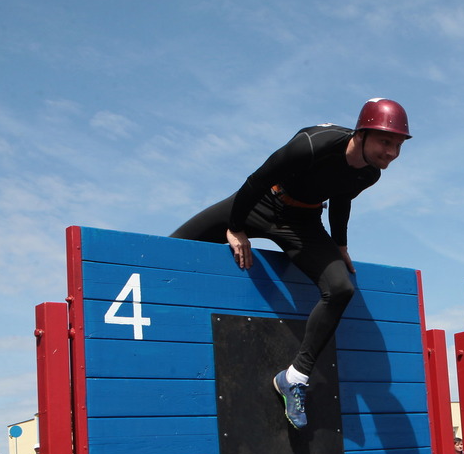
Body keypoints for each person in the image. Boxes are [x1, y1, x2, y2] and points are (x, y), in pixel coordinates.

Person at [171, 99, 411, 430]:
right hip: (261, 202)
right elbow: (256, 180)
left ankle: (295, 377)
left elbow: (342, 199)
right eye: (386, 141)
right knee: (173, 245)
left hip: (303, 221)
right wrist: (237, 227)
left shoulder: (370, 173)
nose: (392, 153)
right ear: (363, 132)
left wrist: (340, 244)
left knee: (340, 288)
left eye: (398, 145)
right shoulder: (314, 144)